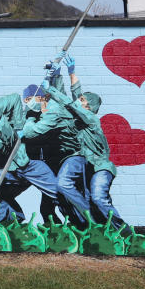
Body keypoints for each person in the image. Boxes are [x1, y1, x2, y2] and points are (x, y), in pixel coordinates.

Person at [46, 54, 127, 232]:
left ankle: (125, 232)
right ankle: (94, 224)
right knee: (91, 198)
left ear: (88, 107)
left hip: (100, 167)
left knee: (99, 198)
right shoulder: (83, 115)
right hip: (89, 166)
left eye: (83, 101)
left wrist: (50, 89)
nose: (79, 101)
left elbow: (71, 104)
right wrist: (68, 72)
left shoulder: (90, 119)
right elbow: (76, 96)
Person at [22, 62, 90, 229]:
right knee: (48, 205)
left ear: (43, 98)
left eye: (37, 98)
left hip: (59, 159)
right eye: (29, 99)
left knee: (62, 198)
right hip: (42, 164)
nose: (34, 102)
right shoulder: (29, 114)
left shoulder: (51, 112)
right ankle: (57, 229)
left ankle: (80, 225)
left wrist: (57, 74)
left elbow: (60, 96)